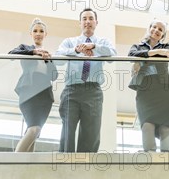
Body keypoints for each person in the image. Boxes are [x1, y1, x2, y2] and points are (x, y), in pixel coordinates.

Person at [55, 8, 117, 152]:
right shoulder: (70, 42)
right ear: (80, 23)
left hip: (93, 91)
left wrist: (94, 47)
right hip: (72, 90)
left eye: (90, 18)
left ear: (96, 22)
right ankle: (65, 165)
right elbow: (57, 58)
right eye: (84, 19)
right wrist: (76, 51)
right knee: (68, 131)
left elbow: (112, 55)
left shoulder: (103, 42)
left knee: (91, 133)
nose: (87, 22)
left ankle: (85, 168)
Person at [128, 19, 169, 152]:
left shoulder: (167, 46)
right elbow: (131, 55)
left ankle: (166, 159)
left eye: (160, 29)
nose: (156, 30)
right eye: (154, 27)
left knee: (166, 126)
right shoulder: (137, 46)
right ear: (149, 28)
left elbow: (167, 54)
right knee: (147, 125)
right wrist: (152, 53)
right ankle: (150, 158)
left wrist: (143, 58)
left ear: (163, 35)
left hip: (164, 91)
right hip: (145, 90)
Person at [9, 17, 58, 152]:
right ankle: (14, 163)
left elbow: (54, 76)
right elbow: (11, 54)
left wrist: (48, 60)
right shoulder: (26, 48)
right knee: (34, 129)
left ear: (45, 34)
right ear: (31, 34)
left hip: (44, 96)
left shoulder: (48, 54)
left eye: (41, 31)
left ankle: (26, 166)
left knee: (35, 132)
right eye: (35, 31)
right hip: (29, 92)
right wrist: (34, 52)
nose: (38, 33)